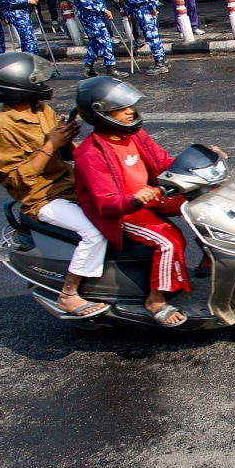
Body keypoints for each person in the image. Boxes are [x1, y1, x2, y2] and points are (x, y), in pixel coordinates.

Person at [0, 52, 109, 318]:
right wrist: (51, 144)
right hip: (44, 200)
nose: (44, 83)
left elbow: (66, 155)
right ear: (17, 84)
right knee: (95, 232)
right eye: (37, 79)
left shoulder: (42, 110)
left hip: (70, 185)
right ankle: (68, 295)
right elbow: (16, 180)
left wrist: (70, 140)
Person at [72, 77, 197, 327]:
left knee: (200, 202)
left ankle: (208, 263)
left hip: (152, 196)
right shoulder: (90, 152)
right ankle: (155, 300)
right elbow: (106, 203)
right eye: (121, 108)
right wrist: (134, 199)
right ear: (101, 113)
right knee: (169, 240)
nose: (130, 111)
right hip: (124, 213)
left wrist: (199, 167)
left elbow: (162, 162)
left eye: (130, 106)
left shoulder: (135, 134)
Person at [67, 0, 122, 78]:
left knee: (94, 41)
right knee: (104, 40)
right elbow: (84, 1)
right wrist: (103, 10)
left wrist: (103, 8)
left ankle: (88, 66)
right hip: (89, 15)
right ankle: (110, 67)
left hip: (98, 13)